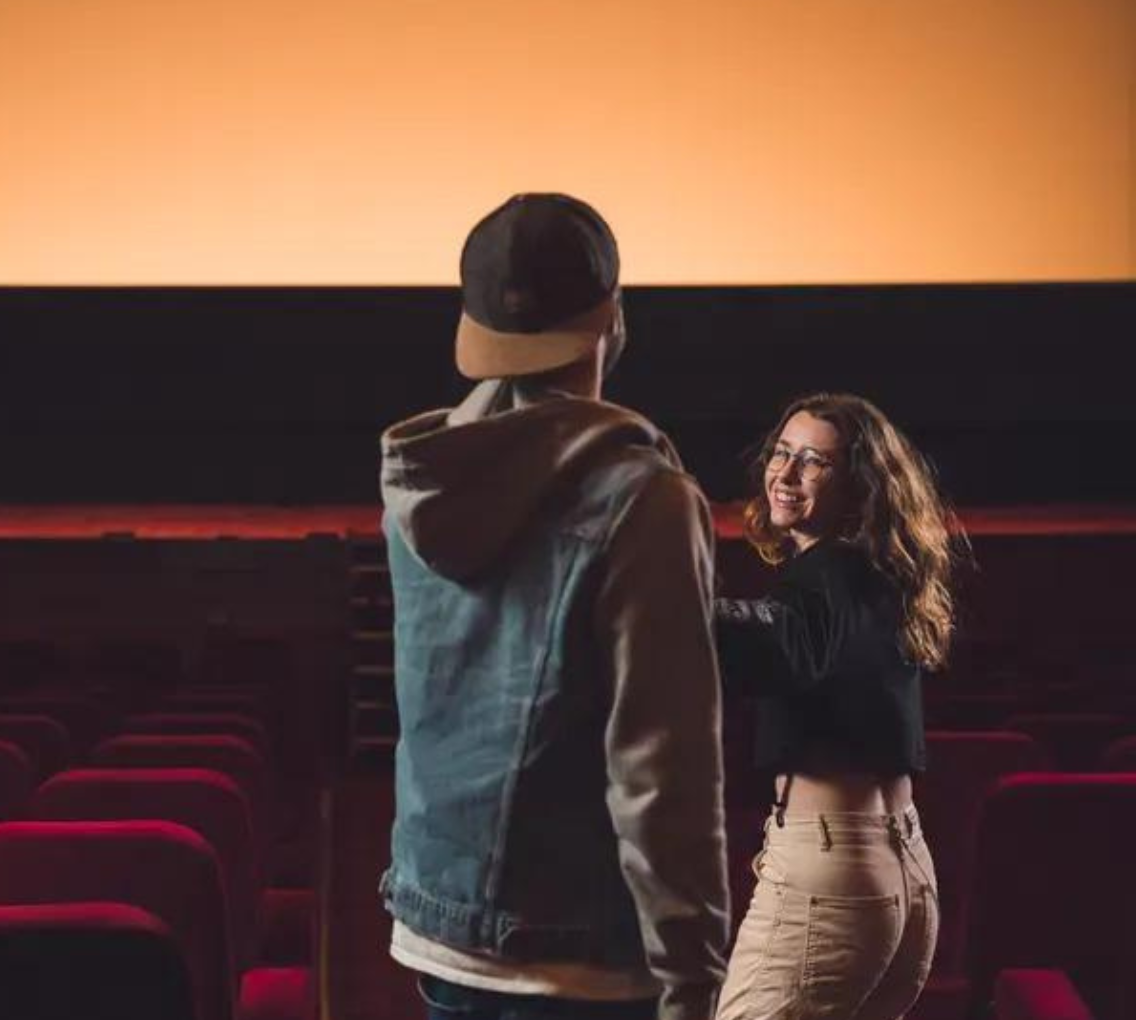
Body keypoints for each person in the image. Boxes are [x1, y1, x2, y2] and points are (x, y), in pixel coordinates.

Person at [380, 193, 730, 1020]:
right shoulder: (646, 500)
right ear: (612, 318)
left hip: (442, 937)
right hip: (586, 964)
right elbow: (663, 767)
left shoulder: (420, 481)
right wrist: (695, 973)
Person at [713, 393, 961, 1020]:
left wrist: (654, 592)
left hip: (833, 880)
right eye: (781, 453)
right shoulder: (880, 576)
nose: (786, 474)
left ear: (859, 484)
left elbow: (782, 643)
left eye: (814, 462)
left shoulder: (826, 576)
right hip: (904, 875)